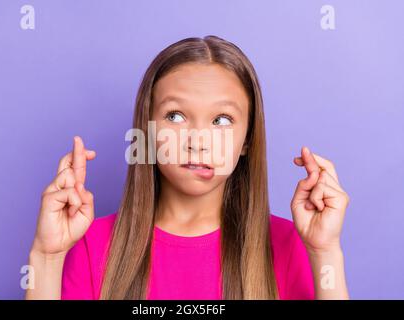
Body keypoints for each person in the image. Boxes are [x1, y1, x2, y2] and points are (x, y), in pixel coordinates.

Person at [25, 35, 350, 300]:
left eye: (221, 120)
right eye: (175, 117)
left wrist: (326, 252)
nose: (198, 140)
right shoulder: (91, 244)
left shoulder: (289, 244)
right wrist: (46, 256)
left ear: (247, 140)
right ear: (147, 130)